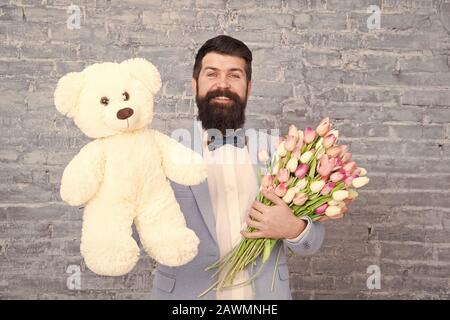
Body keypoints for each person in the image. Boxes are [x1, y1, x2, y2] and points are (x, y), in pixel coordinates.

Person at [150, 35, 329, 300]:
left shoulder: (282, 151)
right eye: (212, 74)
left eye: (234, 75)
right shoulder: (163, 151)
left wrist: (293, 228)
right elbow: (136, 227)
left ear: (248, 87)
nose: (222, 84)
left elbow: (313, 240)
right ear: (194, 84)